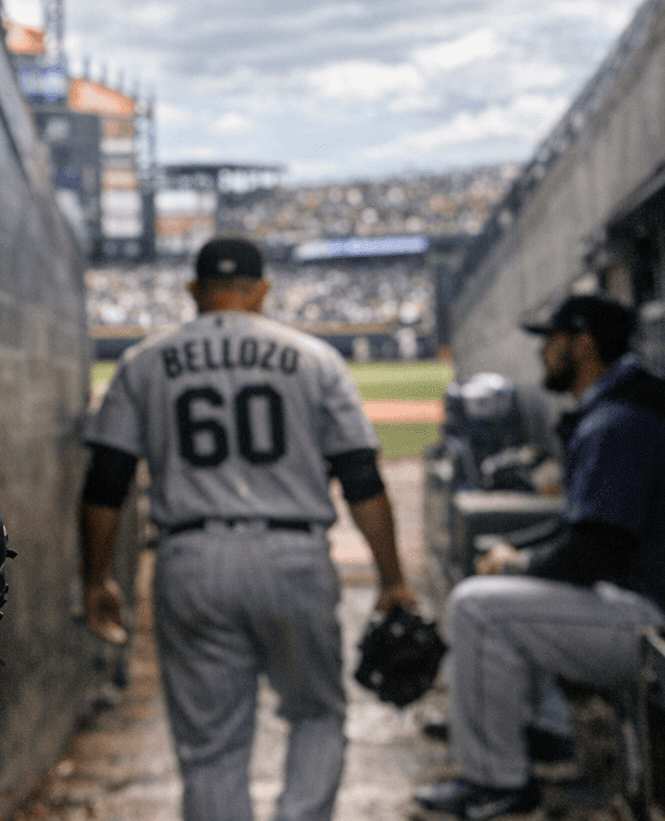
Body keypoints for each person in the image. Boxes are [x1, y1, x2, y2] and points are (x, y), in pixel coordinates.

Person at [81, 235, 417, 821]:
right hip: (294, 556)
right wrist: (392, 579)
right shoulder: (315, 357)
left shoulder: (143, 360)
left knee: (210, 747)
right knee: (316, 714)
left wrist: (97, 578)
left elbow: (106, 481)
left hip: (191, 559)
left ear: (194, 290)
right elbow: (361, 477)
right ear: (262, 290)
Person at [413, 294, 665, 820]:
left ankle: (497, 785)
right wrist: (520, 556)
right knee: (511, 597)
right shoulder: (630, 408)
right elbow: (588, 530)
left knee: (476, 607)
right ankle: (547, 733)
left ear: (583, 344)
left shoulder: (617, 423)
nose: (544, 353)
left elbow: (592, 552)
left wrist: (518, 563)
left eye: (551, 341)